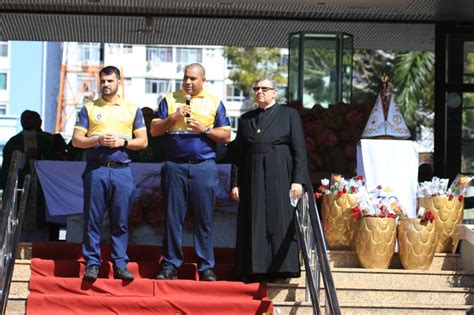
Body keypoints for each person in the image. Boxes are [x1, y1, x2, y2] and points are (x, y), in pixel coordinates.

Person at [151, 63, 231, 281]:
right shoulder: (169, 99)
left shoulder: (214, 102)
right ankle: (170, 264)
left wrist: (203, 129)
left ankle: (205, 266)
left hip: (203, 166)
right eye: (185, 77)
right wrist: (173, 118)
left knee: (203, 218)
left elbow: (226, 135)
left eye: (193, 78)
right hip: (175, 165)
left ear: (203, 80)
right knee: (172, 217)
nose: (188, 82)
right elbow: (154, 130)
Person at [72, 65, 148, 281]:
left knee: (121, 220)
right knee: (93, 220)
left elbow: (143, 141)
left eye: (110, 81)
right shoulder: (88, 108)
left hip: (122, 171)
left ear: (118, 82)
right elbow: (77, 140)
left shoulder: (133, 109)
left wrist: (122, 141)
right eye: (103, 81)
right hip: (96, 170)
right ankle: (92, 263)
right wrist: (97, 139)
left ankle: (120, 263)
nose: (105, 85)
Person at [230, 78, 308, 282]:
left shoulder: (289, 114)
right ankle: (254, 269)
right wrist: (235, 183)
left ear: (275, 92)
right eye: (256, 89)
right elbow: (238, 155)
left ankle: (282, 268)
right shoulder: (247, 119)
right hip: (252, 176)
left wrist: (297, 180)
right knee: (254, 219)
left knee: (278, 218)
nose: (260, 92)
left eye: (265, 89)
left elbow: (299, 150)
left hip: (280, 173)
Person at [0, 110, 54, 230]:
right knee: (17, 223)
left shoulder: (46, 140)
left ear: (38, 121)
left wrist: (40, 155)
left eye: (30, 118)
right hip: (20, 187)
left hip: (41, 188)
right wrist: (24, 156)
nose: (25, 121)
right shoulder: (14, 142)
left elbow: (54, 162)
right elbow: (8, 166)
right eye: (23, 118)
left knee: (41, 227)